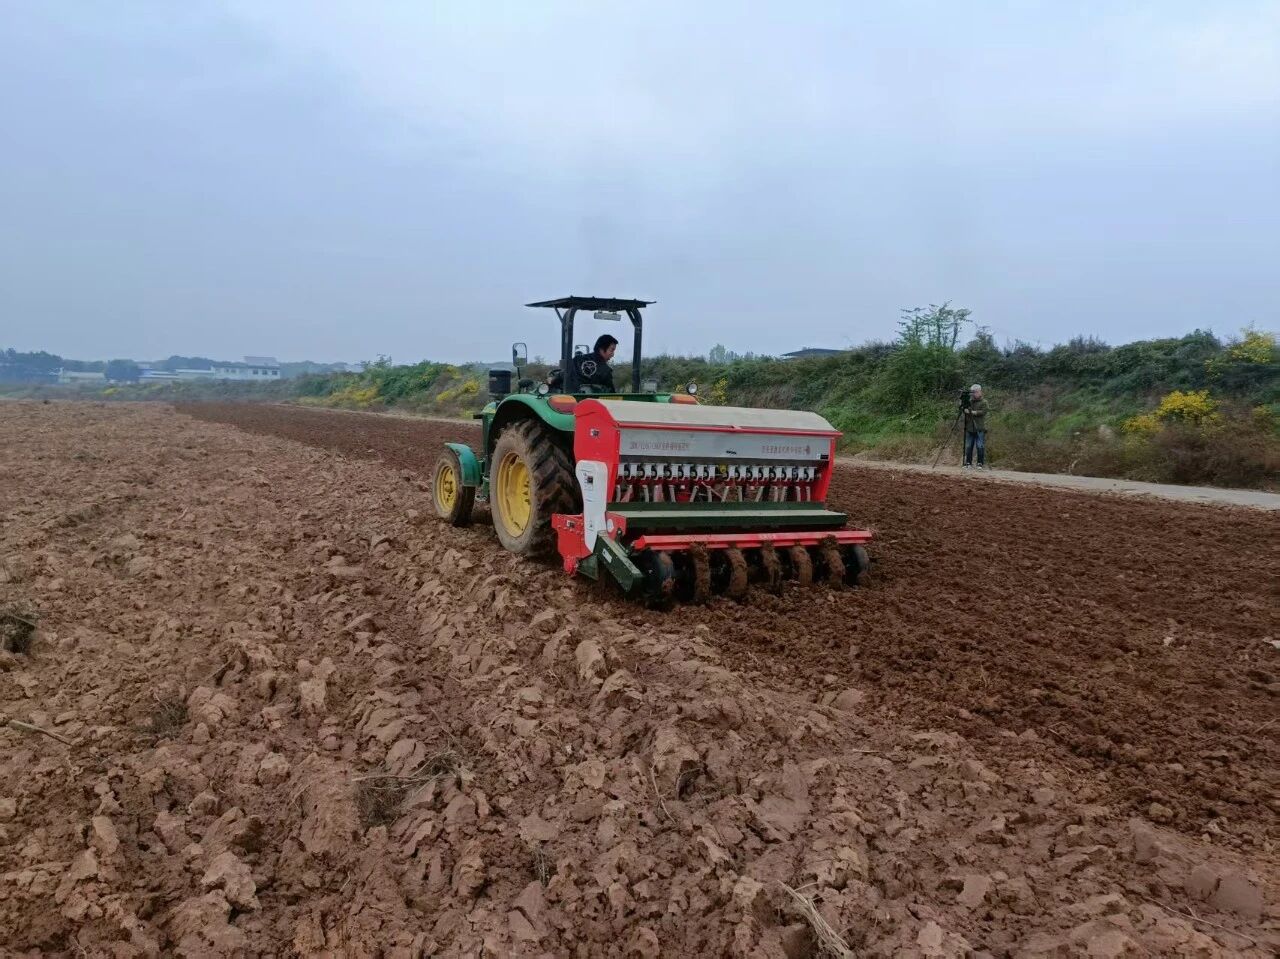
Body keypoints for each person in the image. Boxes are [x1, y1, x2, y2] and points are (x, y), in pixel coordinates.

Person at [963, 384, 988, 469]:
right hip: (970, 427)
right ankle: (968, 463)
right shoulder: (970, 401)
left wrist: (973, 412)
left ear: (980, 392)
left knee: (980, 446)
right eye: (973, 392)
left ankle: (980, 463)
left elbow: (983, 412)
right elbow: (964, 409)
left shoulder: (984, 402)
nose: (974, 394)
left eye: (976, 392)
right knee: (968, 446)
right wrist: (964, 408)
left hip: (979, 427)